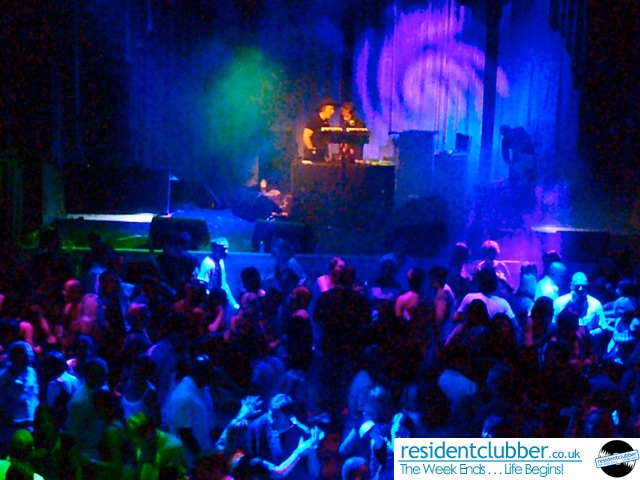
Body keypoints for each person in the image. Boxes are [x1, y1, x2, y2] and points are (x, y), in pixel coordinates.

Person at [195, 237, 239, 311]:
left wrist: (234, 304)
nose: (226, 251)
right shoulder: (208, 263)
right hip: (210, 303)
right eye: (224, 249)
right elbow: (202, 284)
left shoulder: (220, 261)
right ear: (215, 249)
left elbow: (224, 284)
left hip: (219, 300)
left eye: (227, 249)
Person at [500, 125, 536, 192]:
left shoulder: (520, 131)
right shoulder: (505, 141)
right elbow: (505, 154)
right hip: (517, 159)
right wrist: (509, 161)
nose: (508, 136)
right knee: (514, 177)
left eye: (508, 133)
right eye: (505, 135)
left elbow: (528, 140)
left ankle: (530, 189)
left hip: (528, 156)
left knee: (530, 175)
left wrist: (521, 148)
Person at [302, 98, 337, 162]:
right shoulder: (314, 120)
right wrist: (312, 149)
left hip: (321, 154)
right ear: (323, 109)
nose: (333, 112)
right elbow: (306, 136)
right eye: (330, 109)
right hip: (312, 156)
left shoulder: (325, 122)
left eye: (333, 109)